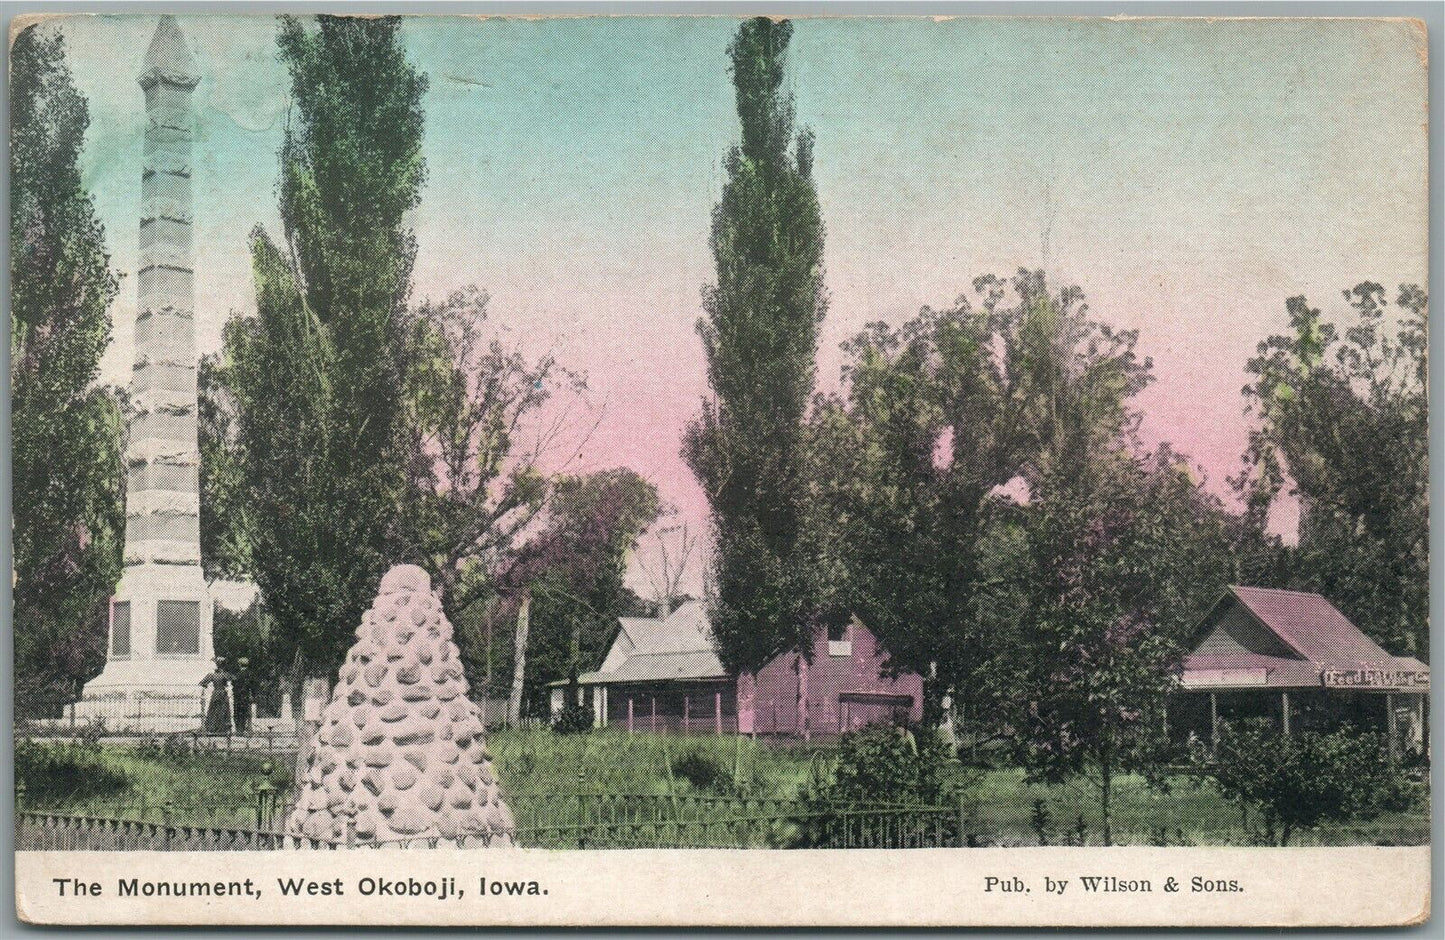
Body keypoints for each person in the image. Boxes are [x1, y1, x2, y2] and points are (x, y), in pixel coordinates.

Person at [199, 659, 235, 734]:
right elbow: (234, 678)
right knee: (223, 710)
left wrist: (206, 686)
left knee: (214, 710)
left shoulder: (212, 675)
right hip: (223, 693)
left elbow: (202, 683)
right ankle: (223, 729)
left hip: (215, 693)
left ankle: (212, 728)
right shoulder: (225, 674)